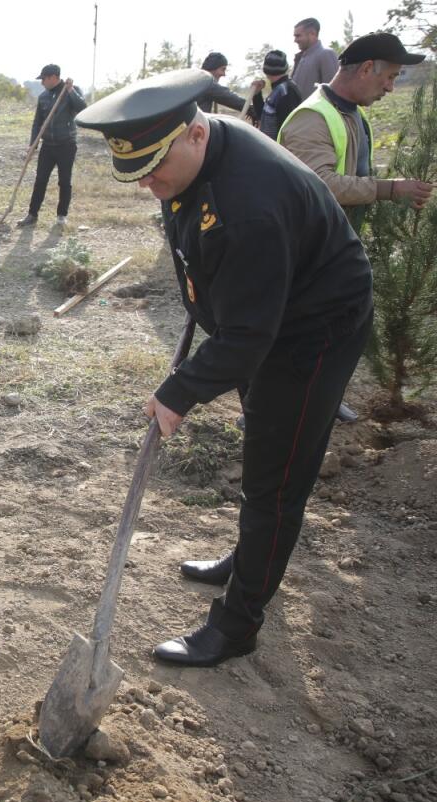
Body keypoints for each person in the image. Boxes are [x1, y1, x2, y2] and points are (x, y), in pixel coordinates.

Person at [76, 70, 373, 668]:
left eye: (155, 171)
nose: (149, 187)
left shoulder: (250, 205)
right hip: (265, 313)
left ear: (192, 135)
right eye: (137, 176)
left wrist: (179, 391)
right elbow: (197, 239)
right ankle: (250, 558)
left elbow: (250, 333)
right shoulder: (200, 153)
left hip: (311, 331)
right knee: (263, 448)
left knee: (275, 481)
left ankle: (237, 625)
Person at [279, 32, 432, 234]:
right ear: (366, 68)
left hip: (337, 241)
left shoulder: (353, 113)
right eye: (390, 77)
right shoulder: (312, 117)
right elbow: (319, 184)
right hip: (311, 247)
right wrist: (390, 190)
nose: (390, 87)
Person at [15, 65, 88, 228]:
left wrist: (70, 91)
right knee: (40, 180)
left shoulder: (71, 91)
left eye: (44, 79)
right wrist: (33, 144)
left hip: (66, 145)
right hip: (48, 146)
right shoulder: (43, 97)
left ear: (54, 77)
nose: (42, 83)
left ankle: (62, 215)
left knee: (64, 181)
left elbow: (82, 108)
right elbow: (37, 123)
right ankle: (32, 214)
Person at [245, 50, 302, 139]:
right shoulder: (279, 89)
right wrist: (257, 95)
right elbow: (263, 119)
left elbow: (287, 131)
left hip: (279, 150)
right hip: (272, 148)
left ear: (266, 70)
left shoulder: (286, 91)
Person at [291, 18, 341, 99]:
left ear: (312, 34)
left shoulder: (326, 54)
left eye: (298, 36)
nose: (295, 40)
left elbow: (334, 94)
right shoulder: (300, 58)